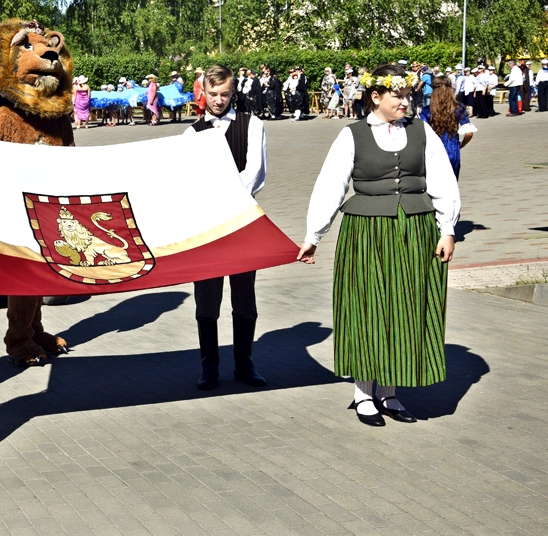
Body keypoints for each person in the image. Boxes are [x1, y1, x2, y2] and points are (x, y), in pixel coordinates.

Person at [297, 64, 461, 426]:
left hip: (415, 231)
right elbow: (330, 186)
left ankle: (389, 393)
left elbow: (443, 182)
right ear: (376, 97)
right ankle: (362, 394)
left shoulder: (422, 131)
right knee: (366, 306)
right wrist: (314, 236)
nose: (405, 102)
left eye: (407, 95)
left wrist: (446, 228)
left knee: (405, 307)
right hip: (367, 232)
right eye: (397, 95)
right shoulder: (351, 135)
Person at [182, 65, 267, 391]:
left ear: (234, 93)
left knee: (244, 298)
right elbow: (189, 177)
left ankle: (244, 364)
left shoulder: (253, 124)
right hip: (208, 224)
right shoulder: (193, 133)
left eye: (225, 94)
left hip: (242, 220)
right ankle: (210, 367)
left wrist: (231, 200)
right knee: (206, 300)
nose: (219, 100)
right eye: (213, 94)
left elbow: (256, 172)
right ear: (204, 92)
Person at [420, 75, 476, 179]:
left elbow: (422, 133)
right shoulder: (458, 108)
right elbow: (469, 132)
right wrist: (462, 144)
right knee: (452, 187)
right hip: (452, 151)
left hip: (433, 152)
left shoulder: (426, 110)